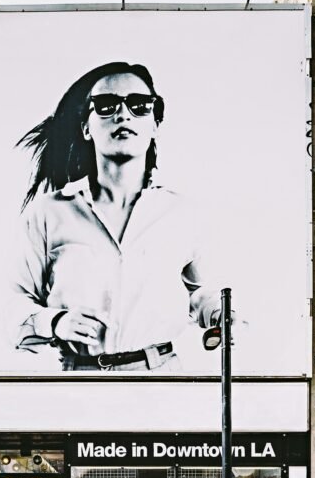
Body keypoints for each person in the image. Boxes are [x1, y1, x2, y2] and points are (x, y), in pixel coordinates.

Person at [12, 61, 222, 373]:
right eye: (107, 105)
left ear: (154, 126)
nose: (123, 114)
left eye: (140, 105)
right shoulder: (48, 212)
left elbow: (202, 293)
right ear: (86, 127)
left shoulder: (182, 214)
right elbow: (9, 305)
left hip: (162, 383)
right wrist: (55, 321)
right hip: (78, 386)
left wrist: (219, 313)